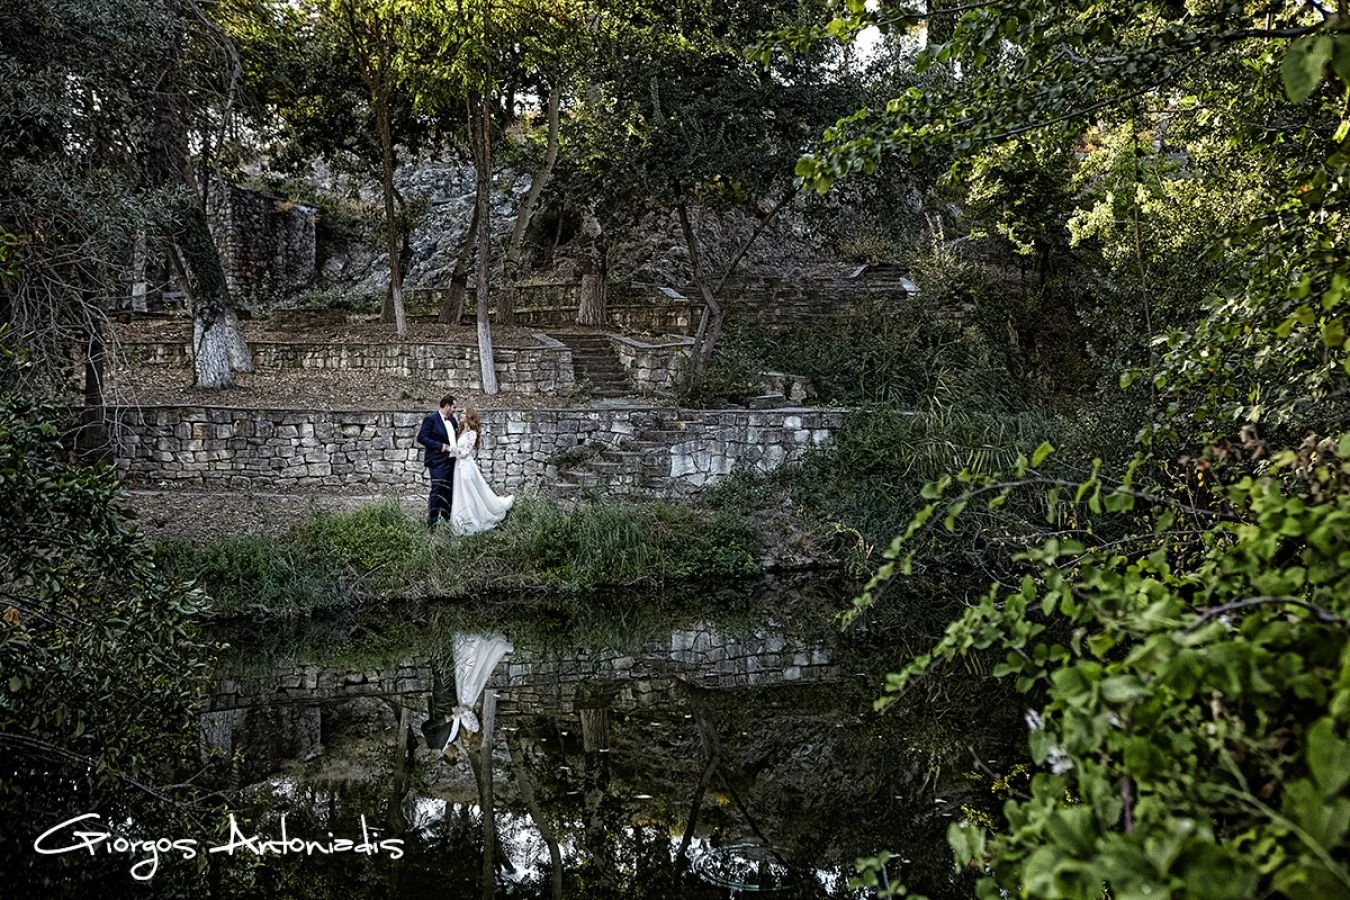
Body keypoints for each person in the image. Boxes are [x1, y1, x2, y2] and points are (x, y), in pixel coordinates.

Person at [450, 407, 514, 535]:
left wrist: (451, 450)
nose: (460, 415)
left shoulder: (472, 433)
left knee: (469, 493)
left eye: (463, 413)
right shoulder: (461, 430)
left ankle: (475, 518)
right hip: (458, 466)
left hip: (466, 467)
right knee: (460, 493)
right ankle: (460, 520)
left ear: (469, 416)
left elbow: (465, 453)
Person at [416, 395, 459, 530]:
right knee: (437, 490)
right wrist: (441, 446)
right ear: (446, 406)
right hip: (437, 461)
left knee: (449, 491)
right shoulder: (431, 419)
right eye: (453, 407)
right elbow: (421, 437)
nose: (454, 410)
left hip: (452, 461)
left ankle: (446, 521)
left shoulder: (452, 420)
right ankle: (432, 524)